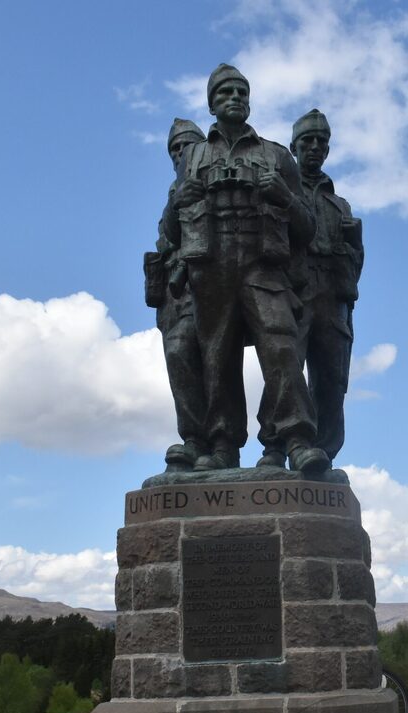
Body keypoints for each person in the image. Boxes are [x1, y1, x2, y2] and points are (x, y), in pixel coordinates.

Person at [166, 64, 328, 473]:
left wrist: (285, 199)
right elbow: (171, 232)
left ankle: (296, 439)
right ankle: (222, 445)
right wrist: (177, 200)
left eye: (241, 91)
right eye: (225, 93)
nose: (235, 98)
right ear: (211, 104)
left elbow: (306, 230)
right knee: (216, 358)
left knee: (282, 347)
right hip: (212, 268)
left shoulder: (275, 155)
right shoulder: (193, 157)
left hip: (262, 267)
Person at [284, 108, 363, 464]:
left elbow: (358, 258)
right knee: (285, 371)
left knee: (332, 381)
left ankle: (324, 455)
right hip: (295, 292)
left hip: (333, 296)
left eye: (321, 142)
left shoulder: (339, 204)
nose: (315, 147)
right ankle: (281, 445)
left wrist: (349, 251)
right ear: (294, 147)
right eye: (307, 141)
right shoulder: (282, 192)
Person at [146, 118, 208, 470]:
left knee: (218, 364)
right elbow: (166, 238)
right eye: (175, 148)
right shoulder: (175, 191)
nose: (180, 153)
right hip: (178, 291)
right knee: (180, 352)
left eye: (186, 145)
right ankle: (194, 439)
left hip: (217, 281)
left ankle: (223, 445)